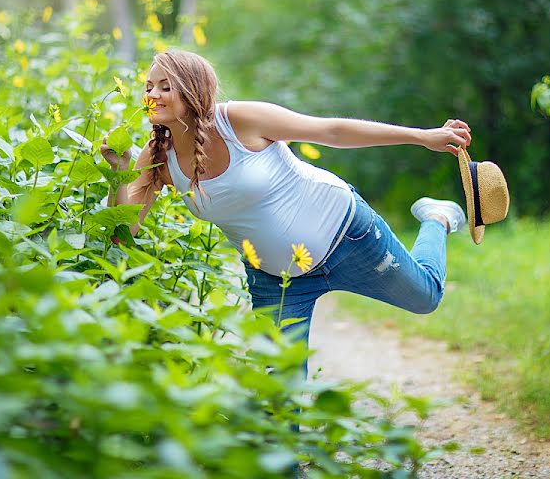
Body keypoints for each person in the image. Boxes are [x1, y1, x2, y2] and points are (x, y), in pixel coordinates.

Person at [100, 50, 471, 380]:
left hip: (345, 234)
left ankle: (436, 219)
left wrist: (422, 136)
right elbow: (123, 232)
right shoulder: (157, 156)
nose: (151, 95)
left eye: (165, 86)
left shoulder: (239, 120)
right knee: (279, 391)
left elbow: (330, 130)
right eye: (148, 86)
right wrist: (119, 172)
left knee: (426, 297)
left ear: (192, 90)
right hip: (276, 279)